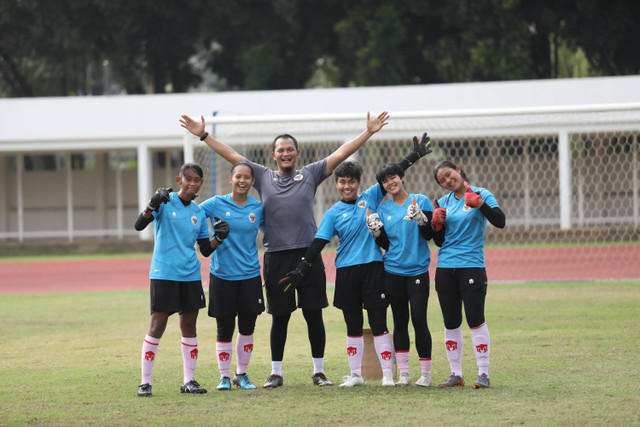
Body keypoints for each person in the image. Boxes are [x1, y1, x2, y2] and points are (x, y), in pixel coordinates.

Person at [179, 111, 389, 388]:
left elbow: (340, 153)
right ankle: (276, 372)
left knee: (314, 314)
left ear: (297, 153)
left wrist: (369, 132)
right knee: (280, 316)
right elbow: (231, 155)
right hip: (276, 256)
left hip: (308, 255)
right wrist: (204, 135)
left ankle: (319, 372)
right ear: (273, 154)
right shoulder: (262, 176)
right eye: (281, 150)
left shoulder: (311, 174)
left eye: (290, 149)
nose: (286, 153)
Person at [277, 134, 432, 387]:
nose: (347, 186)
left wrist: (412, 157)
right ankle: (356, 375)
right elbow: (318, 242)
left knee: (379, 322)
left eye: (351, 182)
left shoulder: (370, 199)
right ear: (336, 185)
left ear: (359, 184)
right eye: (342, 182)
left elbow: (392, 176)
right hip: (346, 271)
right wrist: (302, 266)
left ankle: (387, 375)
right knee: (352, 323)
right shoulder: (333, 212)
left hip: (373, 269)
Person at [135, 163, 229, 397]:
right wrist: (151, 203)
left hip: (190, 276)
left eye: (197, 180)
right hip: (164, 274)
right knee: (158, 325)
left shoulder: (198, 212)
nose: (193, 183)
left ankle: (189, 381)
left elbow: (205, 250)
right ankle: (145, 382)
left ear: (201, 183)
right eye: (188, 179)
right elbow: (139, 224)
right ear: (179, 180)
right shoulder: (165, 202)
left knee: (189, 325)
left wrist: (219, 237)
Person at [431, 160, 505, 389]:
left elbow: (500, 221)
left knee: (475, 320)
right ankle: (456, 373)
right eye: (442, 180)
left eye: (449, 174)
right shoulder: (442, 202)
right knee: (451, 322)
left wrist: (480, 204)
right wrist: (435, 225)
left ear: (459, 170)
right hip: (445, 268)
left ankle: (483, 374)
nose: (447, 180)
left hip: (471, 265)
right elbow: (440, 242)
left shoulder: (481, 193)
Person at [366, 162, 434, 386]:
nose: (390, 183)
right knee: (400, 320)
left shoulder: (420, 201)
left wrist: (422, 220)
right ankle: (403, 372)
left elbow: (429, 235)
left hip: (417, 271)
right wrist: (376, 232)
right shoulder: (383, 210)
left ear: (402, 177)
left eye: (393, 177)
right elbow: (386, 243)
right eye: (385, 181)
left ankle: (425, 373)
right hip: (392, 271)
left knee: (418, 319)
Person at [198, 162, 264, 391]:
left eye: (247, 177)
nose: (242, 180)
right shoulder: (216, 203)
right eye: (238, 176)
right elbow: (193, 215)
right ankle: (224, 377)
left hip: (250, 276)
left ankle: (241, 375)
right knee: (224, 328)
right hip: (222, 275)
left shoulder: (258, 207)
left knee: (247, 327)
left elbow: (275, 230)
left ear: (253, 181)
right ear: (230, 179)